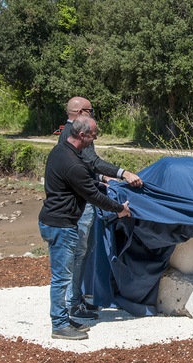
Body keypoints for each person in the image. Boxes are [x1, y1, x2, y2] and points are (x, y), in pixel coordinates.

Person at [39, 115, 132, 340]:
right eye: (93, 135)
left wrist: (103, 177)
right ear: (82, 135)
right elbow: (92, 195)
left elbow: (87, 179)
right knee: (61, 278)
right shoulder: (72, 164)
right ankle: (59, 325)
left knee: (63, 274)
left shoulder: (61, 151)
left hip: (53, 220)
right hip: (61, 225)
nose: (95, 139)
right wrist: (119, 209)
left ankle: (64, 317)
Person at [58, 97, 142, 320]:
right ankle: (72, 303)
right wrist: (123, 173)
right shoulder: (76, 133)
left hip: (81, 198)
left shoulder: (69, 131)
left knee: (85, 249)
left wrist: (100, 177)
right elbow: (92, 161)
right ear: (81, 112)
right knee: (79, 252)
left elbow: (86, 166)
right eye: (91, 111)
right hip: (79, 202)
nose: (93, 115)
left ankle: (76, 298)